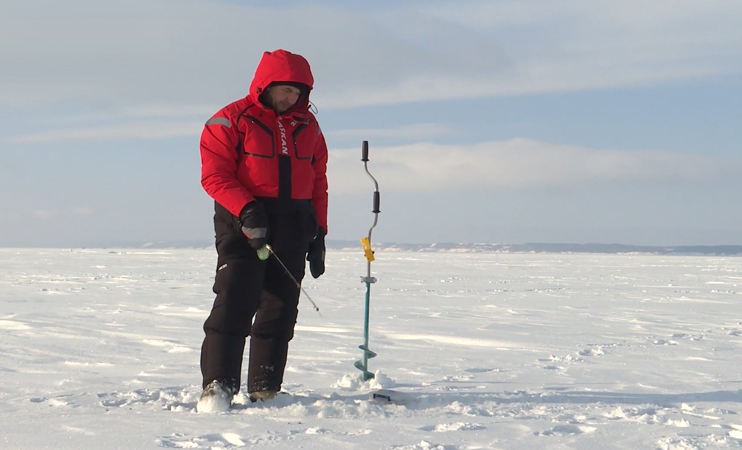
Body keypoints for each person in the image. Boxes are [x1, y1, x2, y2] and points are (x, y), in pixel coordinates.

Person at [197, 49, 328, 410]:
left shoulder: (309, 127)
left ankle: (265, 386)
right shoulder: (228, 120)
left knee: (280, 307)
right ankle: (218, 387)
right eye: (285, 90)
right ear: (266, 84)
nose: (291, 99)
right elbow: (215, 175)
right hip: (243, 220)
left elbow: (318, 181)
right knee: (235, 299)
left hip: (295, 223)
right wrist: (248, 209)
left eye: (298, 93)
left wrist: (319, 233)